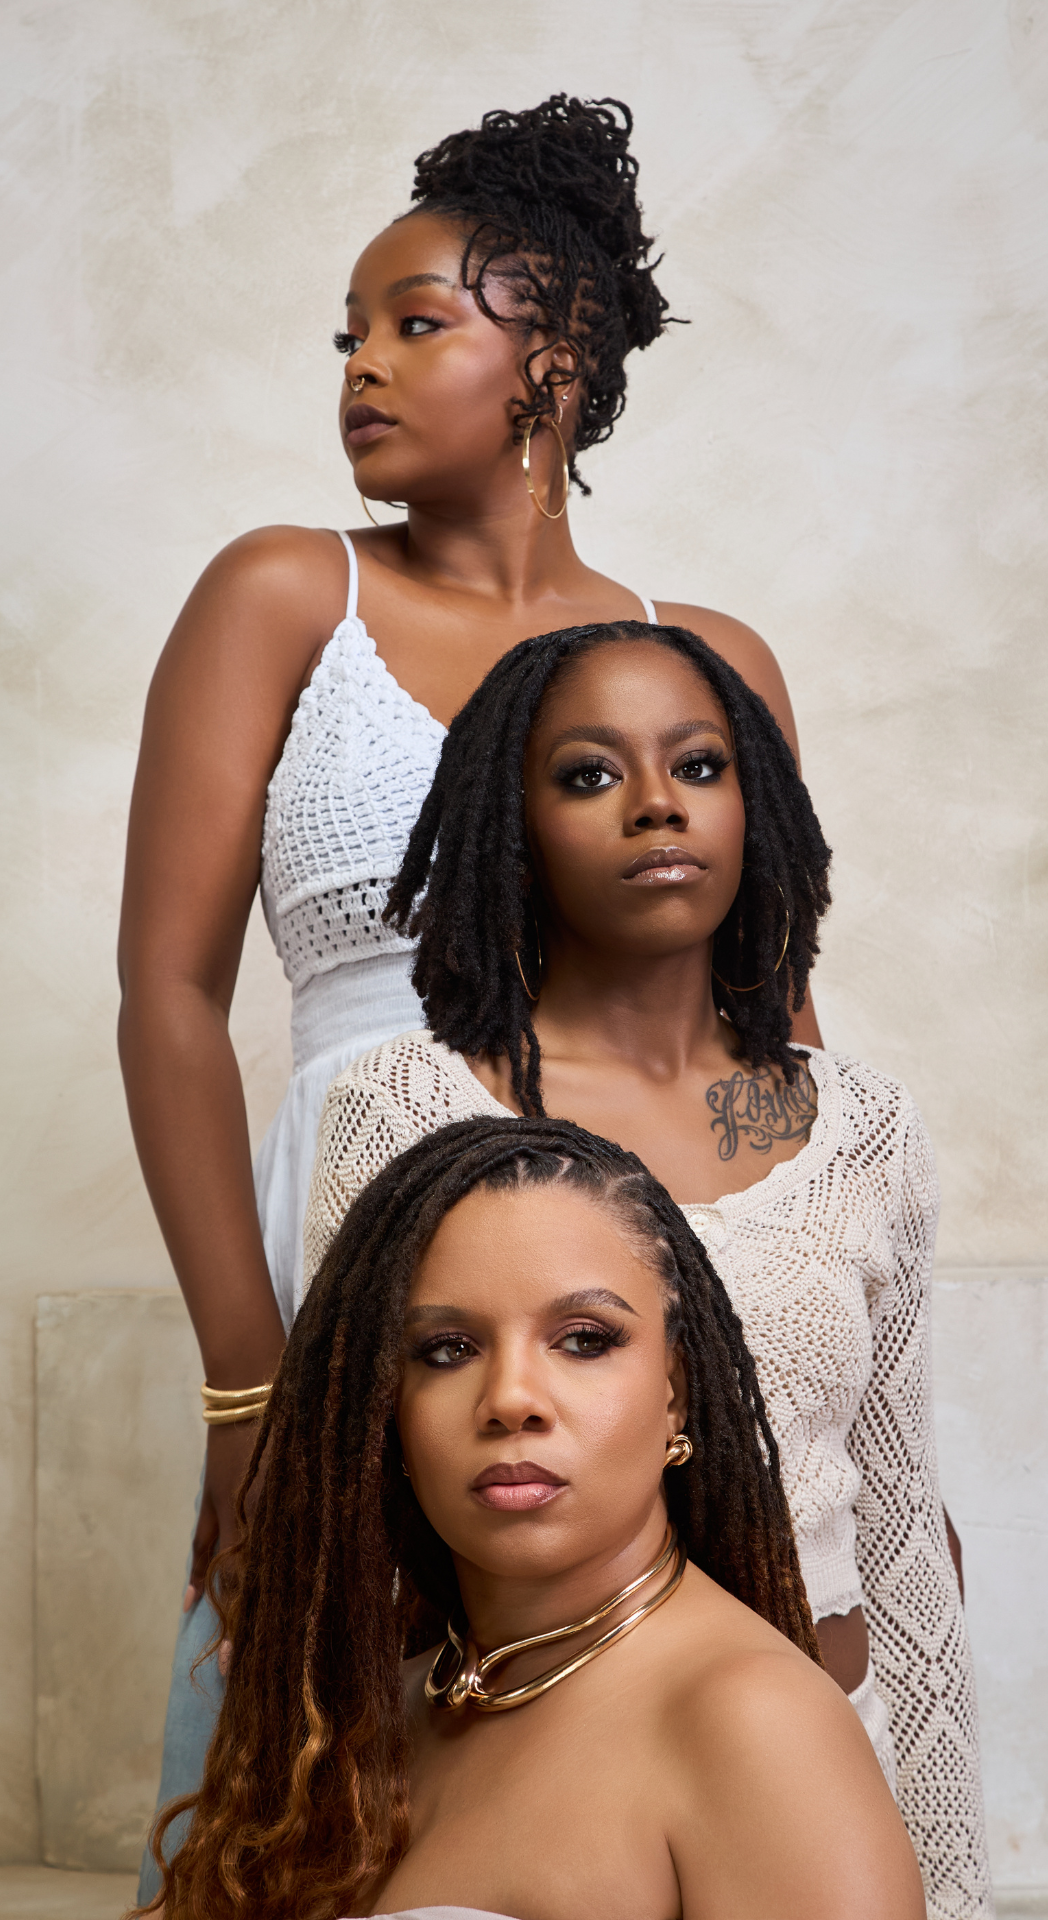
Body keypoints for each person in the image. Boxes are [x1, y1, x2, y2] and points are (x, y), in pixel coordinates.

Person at [117, 94, 821, 1889]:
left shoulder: (702, 662)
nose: (361, 367)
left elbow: (775, 1048)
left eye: (415, 322)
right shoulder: (288, 595)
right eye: (347, 335)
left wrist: (832, 1390)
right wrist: (245, 1388)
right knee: (294, 1767)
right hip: (357, 1262)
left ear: (558, 357)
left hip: (634, 1285)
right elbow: (168, 993)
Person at [302, 621, 992, 1918]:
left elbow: (900, 1515)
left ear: (758, 806)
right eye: (588, 774)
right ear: (513, 822)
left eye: (700, 764)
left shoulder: (866, 1133)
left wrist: (947, 1858)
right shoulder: (408, 1108)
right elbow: (354, 1491)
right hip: (548, 1784)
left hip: (832, 1754)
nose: (658, 803)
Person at [138, 1118, 924, 1920]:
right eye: (446, 1350)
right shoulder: (354, 1722)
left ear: (675, 1391)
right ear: (386, 1411)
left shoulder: (756, 1725)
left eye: (585, 1340)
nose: (511, 1398)